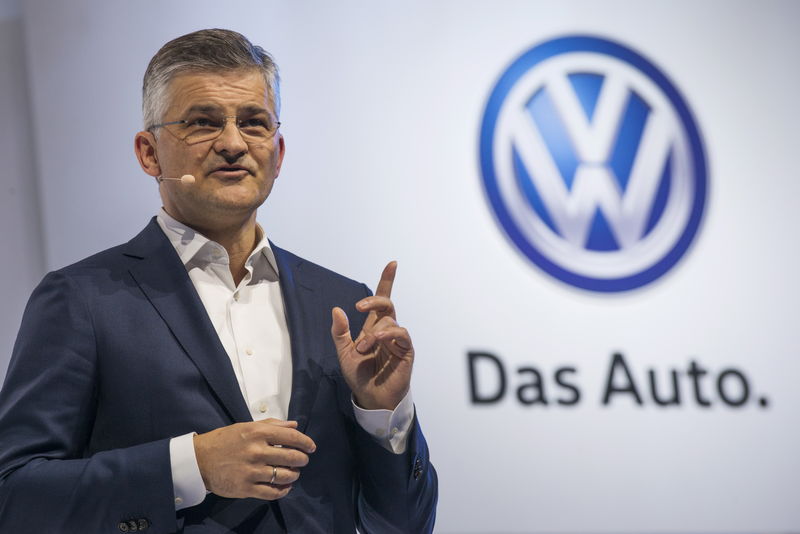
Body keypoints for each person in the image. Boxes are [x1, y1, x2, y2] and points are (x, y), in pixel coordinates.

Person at [0, 29, 437, 533]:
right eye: (203, 123)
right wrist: (192, 466)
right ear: (149, 154)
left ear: (278, 151)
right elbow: (15, 495)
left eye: (254, 123)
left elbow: (405, 523)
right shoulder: (82, 299)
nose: (233, 143)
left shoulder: (342, 306)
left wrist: (381, 415)